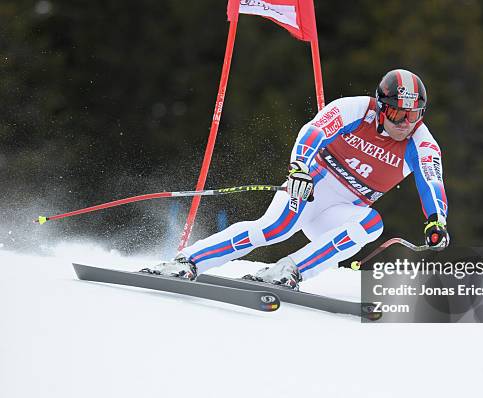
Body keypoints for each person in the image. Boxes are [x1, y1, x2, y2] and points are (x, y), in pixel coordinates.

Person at [143, 69, 449, 289]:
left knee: (371, 225)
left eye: (414, 114)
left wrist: (437, 220)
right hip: (314, 183)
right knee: (275, 229)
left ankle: (290, 270)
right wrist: (299, 168)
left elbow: (431, 182)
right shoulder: (357, 109)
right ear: (382, 109)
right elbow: (314, 131)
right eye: (398, 114)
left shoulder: (421, 143)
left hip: (347, 205)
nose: (406, 123)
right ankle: (188, 261)